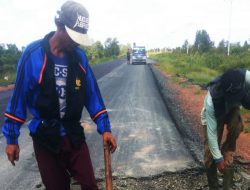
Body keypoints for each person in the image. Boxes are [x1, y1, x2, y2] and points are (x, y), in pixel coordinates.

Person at [2, 1, 117, 190]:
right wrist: (12, 139)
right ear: (59, 25)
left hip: (73, 135)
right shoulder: (33, 54)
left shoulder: (79, 57)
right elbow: (18, 99)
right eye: (74, 36)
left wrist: (105, 128)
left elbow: (92, 95)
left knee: (90, 185)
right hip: (45, 137)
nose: (77, 41)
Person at [201, 68, 250, 190]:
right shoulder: (212, 101)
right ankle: (214, 186)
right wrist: (217, 159)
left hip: (231, 110)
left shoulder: (247, 78)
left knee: (237, 124)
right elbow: (211, 134)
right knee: (210, 154)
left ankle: (227, 151)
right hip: (214, 115)